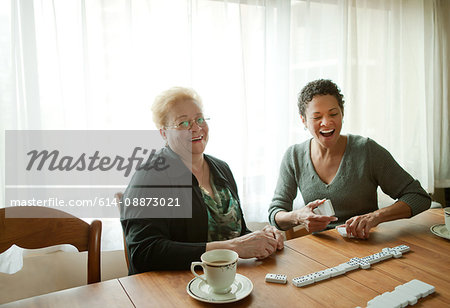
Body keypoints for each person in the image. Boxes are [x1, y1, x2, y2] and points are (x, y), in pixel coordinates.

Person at [121, 87, 283, 274]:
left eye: (199, 119)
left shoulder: (221, 168)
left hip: (225, 280)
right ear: (164, 133)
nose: (196, 128)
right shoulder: (150, 176)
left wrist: (261, 238)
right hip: (172, 287)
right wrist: (233, 248)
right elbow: (145, 253)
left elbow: (235, 234)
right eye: (183, 123)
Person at [268, 79, 431, 239]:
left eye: (333, 114)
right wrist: (298, 217)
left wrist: (375, 217)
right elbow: (276, 212)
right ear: (303, 120)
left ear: (342, 114)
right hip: (320, 252)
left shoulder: (367, 150)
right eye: (317, 117)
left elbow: (418, 197)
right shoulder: (294, 156)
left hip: (368, 247)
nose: (326, 122)